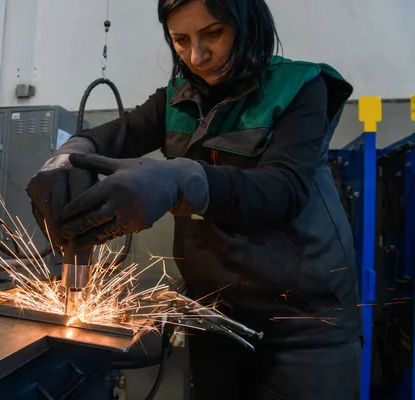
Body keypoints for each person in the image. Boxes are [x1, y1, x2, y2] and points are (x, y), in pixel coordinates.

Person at [26, 0, 362, 398]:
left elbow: (282, 190)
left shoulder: (301, 87)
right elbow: (113, 135)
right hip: (214, 316)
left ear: (248, 23)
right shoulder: (175, 99)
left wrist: (183, 181)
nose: (196, 56)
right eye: (180, 40)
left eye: (213, 34)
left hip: (304, 327)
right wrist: (66, 156)